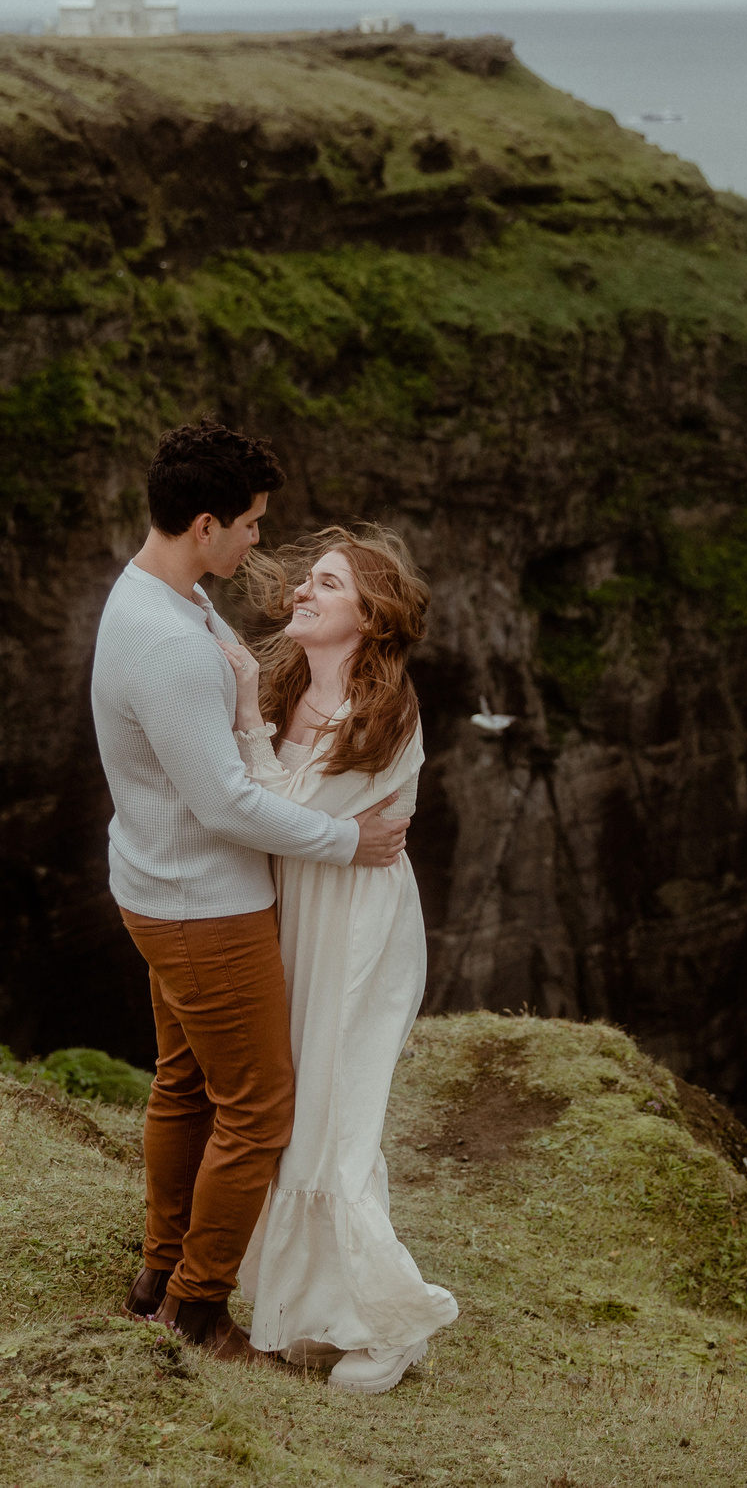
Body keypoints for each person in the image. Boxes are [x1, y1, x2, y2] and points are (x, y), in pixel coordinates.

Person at [90, 421, 411, 1364]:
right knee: (260, 1107)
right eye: (250, 525)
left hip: (158, 882)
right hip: (201, 904)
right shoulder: (171, 642)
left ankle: (159, 1274)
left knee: (187, 1084)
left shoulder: (162, 593)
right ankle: (194, 1309)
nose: (259, 545)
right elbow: (226, 805)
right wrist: (350, 840)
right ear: (203, 523)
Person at [221, 525, 458, 1394]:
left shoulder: (387, 710)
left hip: (359, 926)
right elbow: (291, 821)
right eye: (306, 580)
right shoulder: (293, 687)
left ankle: (391, 1321)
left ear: (369, 611)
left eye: (325, 583)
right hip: (298, 912)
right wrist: (258, 704)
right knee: (298, 1116)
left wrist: (244, 712)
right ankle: (317, 1310)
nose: (301, 593)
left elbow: (273, 803)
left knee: (340, 1114)